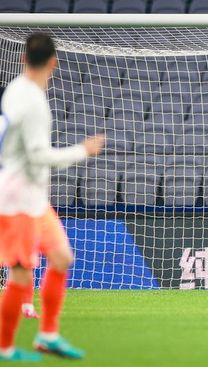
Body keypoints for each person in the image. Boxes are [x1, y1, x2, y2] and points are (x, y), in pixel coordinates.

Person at [0, 32, 105, 361]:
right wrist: (82, 150)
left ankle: (47, 335)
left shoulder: (18, 89)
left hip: (33, 198)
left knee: (61, 257)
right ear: (54, 62)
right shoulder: (31, 101)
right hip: (17, 199)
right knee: (20, 274)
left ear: (21, 59)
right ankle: (4, 347)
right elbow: (38, 155)